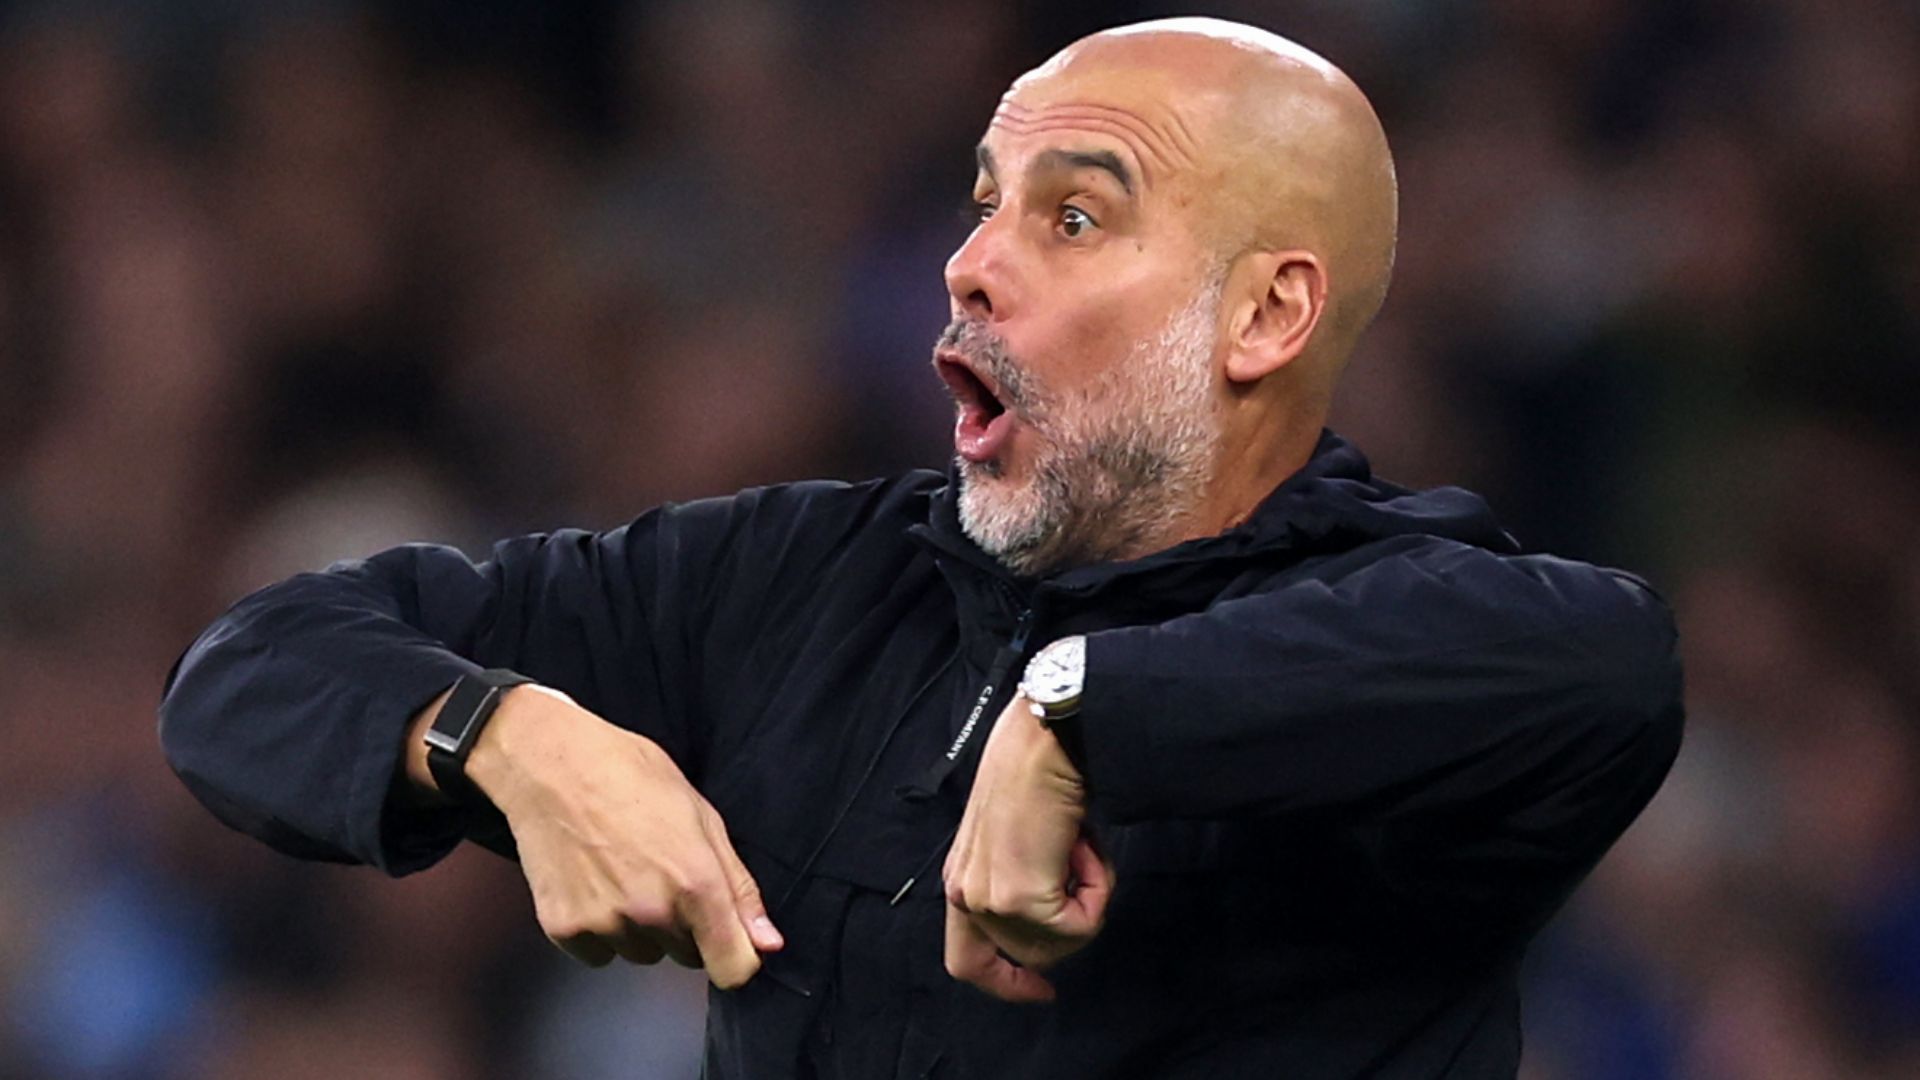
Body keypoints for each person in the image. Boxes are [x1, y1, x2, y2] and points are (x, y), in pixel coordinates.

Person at [160, 17, 1683, 1079]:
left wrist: (1077, 717)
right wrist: (501, 733)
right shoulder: (802, 580)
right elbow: (250, 665)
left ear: (1265, 315)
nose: (968, 263)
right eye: (983, 205)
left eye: (1073, 220)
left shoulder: (1402, 619)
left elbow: (1606, 666)